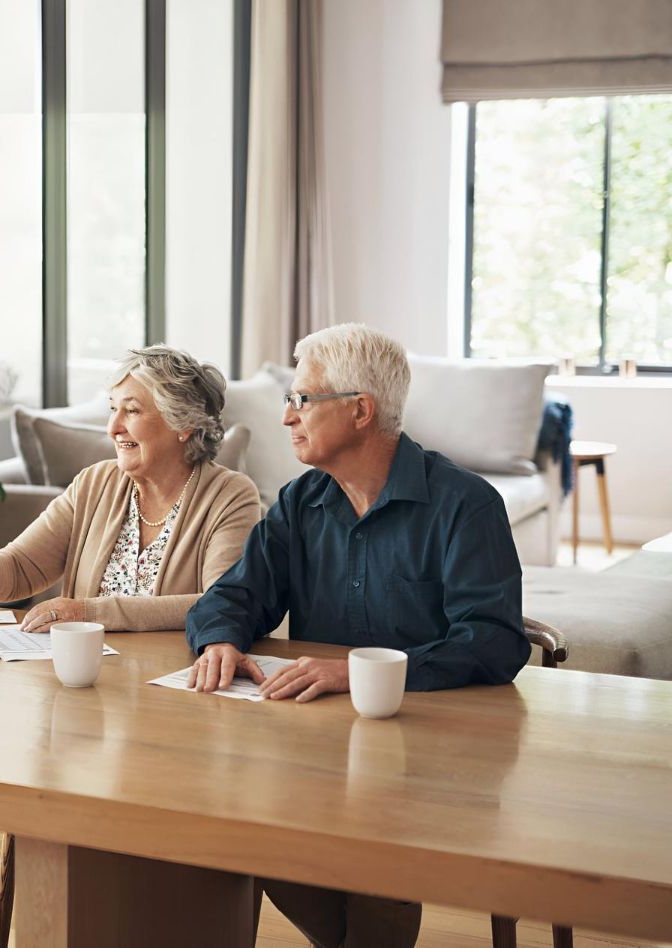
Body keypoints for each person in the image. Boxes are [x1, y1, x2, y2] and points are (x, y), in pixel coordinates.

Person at [184, 323, 530, 947]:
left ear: (361, 411)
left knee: (379, 845)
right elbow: (233, 596)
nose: (287, 416)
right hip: (320, 749)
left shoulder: (466, 505)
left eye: (302, 400)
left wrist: (361, 672)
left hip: (435, 755)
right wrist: (221, 639)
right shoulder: (298, 503)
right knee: (229, 821)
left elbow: (495, 640)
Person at [0, 346, 261, 632]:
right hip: (88, 674)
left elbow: (222, 604)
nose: (113, 428)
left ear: (184, 425)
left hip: (173, 679)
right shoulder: (94, 483)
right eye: (113, 409)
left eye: (132, 411)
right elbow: (22, 567)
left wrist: (89, 611)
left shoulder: (230, 496)